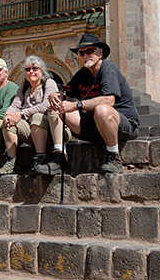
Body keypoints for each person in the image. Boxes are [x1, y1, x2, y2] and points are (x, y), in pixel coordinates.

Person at [48, 33, 139, 174]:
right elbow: (67, 92)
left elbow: (109, 100)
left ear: (100, 53)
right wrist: (56, 95)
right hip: (95, 126)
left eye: (89, 51)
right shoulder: (82, 74)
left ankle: (114, 156)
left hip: (122, 123)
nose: (85, 56)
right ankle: (59, 156)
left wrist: (76, 105)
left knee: (102, 109)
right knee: (57, 108)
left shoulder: (108, 69)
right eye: (82, 53)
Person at [0, 55, 69, 175]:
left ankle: (40, 158)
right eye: (27, 69)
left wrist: (22, 113)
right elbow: (15, 105)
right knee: (8, 123)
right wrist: (9, 115)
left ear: (42, 71)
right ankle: (11, 161)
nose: (31, 72)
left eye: (35, 68)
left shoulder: (49, 83)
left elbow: (46, 105)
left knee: (37, 117)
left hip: (51, 129)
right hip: (31, 131)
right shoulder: (24, 87)